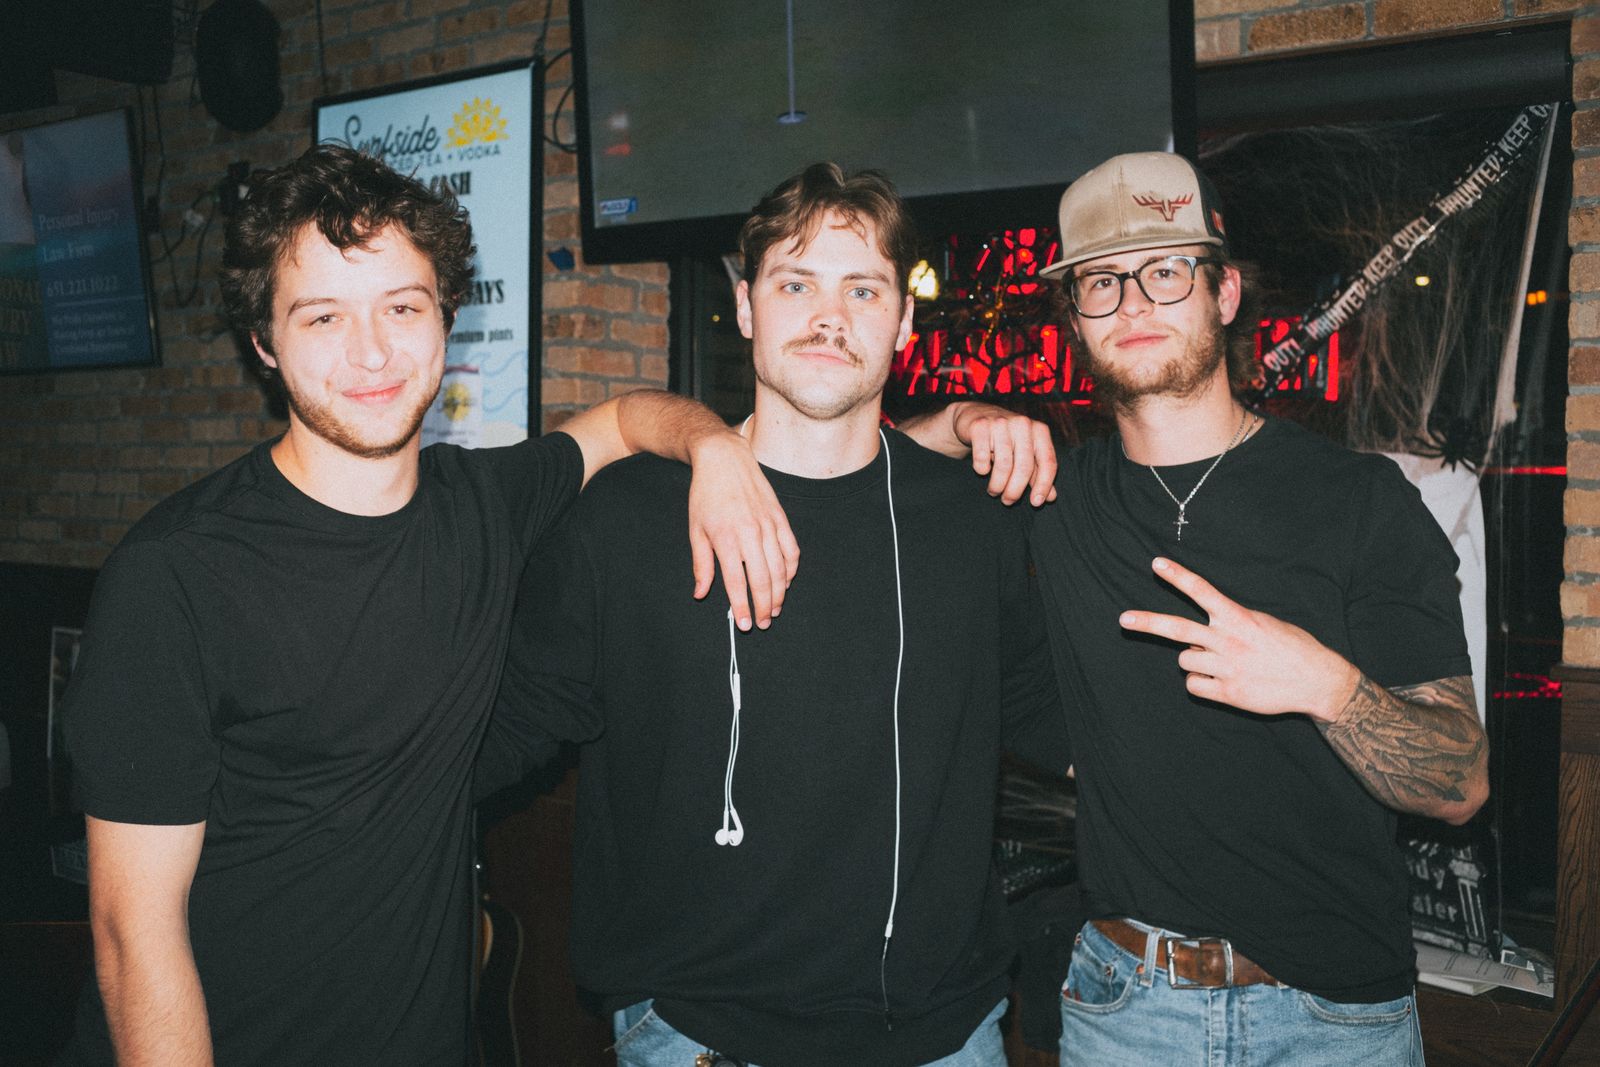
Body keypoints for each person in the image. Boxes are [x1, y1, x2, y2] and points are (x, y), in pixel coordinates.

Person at [59, 143, 797, 1066]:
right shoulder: (175, 577)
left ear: (446, 319)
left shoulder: (481, 502)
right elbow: (133, 934)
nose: (372, 351)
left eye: (402, 307)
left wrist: (716, 448)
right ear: (264, 344)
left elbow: (619, 421)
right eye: (323, 316)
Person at [480, 162, 1068, 1067]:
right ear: (745, 306)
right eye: (795, 284)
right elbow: (508, 727)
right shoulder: (626, 518)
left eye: (862, 289)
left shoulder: (970, 519)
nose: (830, 316)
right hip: (699, 1036)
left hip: (943, 1039)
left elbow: (1057, 715)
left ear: (903, 323)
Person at [1015, 151, 1486, 1065]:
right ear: (1074, 318)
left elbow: (1460, 784)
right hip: (1126, 1009)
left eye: (1165, 270)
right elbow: (857, 468)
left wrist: (1326, 686)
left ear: (1224, 293)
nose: (1134, 303)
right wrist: (961, 417)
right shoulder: (1053, 498)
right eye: (1102, 282)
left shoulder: (1358, 500)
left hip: (1334, 1021)